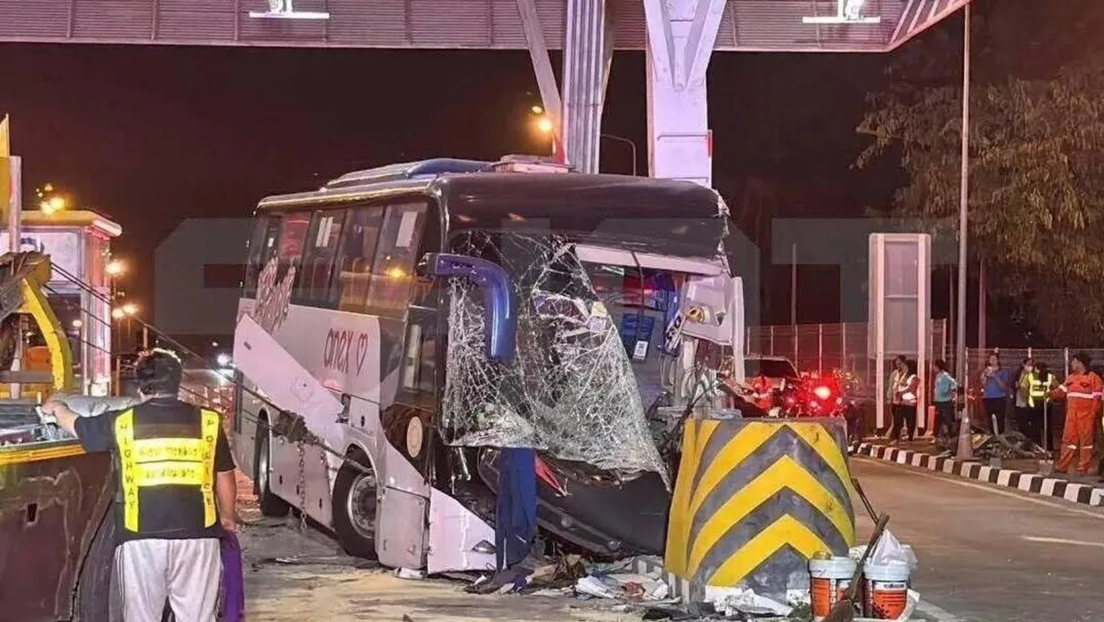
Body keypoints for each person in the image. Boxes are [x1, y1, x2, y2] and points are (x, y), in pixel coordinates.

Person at [39, 348, 237, 622]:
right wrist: (227, 518)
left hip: (140, 537)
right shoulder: (209, 421)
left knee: (142, 617)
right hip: (199, 535)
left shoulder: (123, 422)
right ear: (177, 383)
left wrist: (57, 407)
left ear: (141, 385)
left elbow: (77, 426)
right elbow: (224, 475)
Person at [1049, 351, 1103, 477]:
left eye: (1073, 361)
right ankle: (1062, 466)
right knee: (1068, 441)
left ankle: (1083, 468)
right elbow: (1061, 391)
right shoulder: (1071, 378)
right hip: (1071, 415)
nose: (1072, 364)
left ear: (1080, 363)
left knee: (1086, 443)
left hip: (1086, 416)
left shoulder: (1093, 378)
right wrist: (1050, 394)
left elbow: (1097, 398)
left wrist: (1093, 414)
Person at [1025, 361, 1056, 449]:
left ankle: (1037, 447)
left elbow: (1024, 388)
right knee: (1047, 428)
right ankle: (1049, 448)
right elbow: (1056, 386)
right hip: (1046, 404)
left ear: (1035, 368)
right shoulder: (1050, 377)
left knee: (1035, 428)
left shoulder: (1030, 376)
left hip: (1034, 404)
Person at [981, 351, 1012, 434]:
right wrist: (985, 376)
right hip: (988, 398)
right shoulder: (986, 370)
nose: (992, 361)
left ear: (998, 360)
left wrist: (994, 376)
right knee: (990, 420)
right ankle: (992, 436)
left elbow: (1004, 387)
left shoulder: (1003, 372)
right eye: (991, 359)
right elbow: (983, 385)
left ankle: (1000, 437)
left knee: (999, 420)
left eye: (994, 359)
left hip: (999, 398)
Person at [889, 359, 919, 444]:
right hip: (902, 402)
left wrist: (901, 392)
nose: (904, 367)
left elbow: (911, 388)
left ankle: (909, 437)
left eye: (905, 366)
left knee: (910, 421)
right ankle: (896, 437)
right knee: (897, 420)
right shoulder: (904, 375)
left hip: (910, 403)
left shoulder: (914, 377)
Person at [932, 359, 958, 442]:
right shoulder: (938, 375)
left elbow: (954, 383)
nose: (933, 368)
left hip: (945, 400)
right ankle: (940, 436)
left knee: (946, 418)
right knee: (939, 418)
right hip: (938, 400)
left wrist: (950, 391)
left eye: (935, 366)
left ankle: (948, 436)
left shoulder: (945, 375)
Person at [885, 355, 907, 438]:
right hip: (895, 399)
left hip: (903, 399)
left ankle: (902, 431)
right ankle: (896, 432)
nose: (898, 364)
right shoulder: (894, 374)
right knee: (895, 417)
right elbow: (891, 386)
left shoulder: (907, 373)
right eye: (896, 362)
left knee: (902, 416)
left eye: (899, 362)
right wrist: (889, 397)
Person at [1014, 358, 1035, 439]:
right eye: (1028, 364)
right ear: (1023, 365)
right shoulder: (1019, 374)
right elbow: (1014, 385)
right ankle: (1021, 438)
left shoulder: (1033, 375)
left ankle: (1028, 439)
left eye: (1031, 364)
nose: (1030, 366)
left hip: (1029, 401)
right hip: (1019, 400)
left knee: (1028, 423)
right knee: (1020, 422)